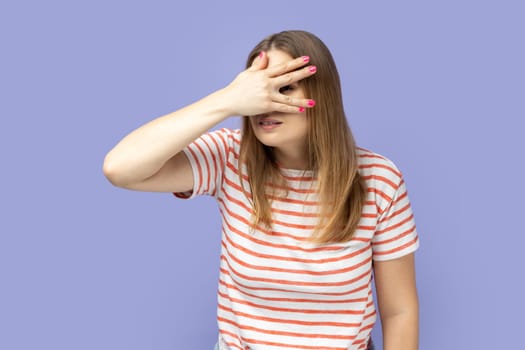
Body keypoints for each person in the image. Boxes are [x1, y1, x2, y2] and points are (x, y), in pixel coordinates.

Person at [103, 30, 419, 350]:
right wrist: (226, 100)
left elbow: (399, 313)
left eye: (283, 88)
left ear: (321, 95)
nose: (265, 103)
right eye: (257, 90)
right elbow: (120, 168)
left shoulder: (379, 179)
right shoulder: (229, 158)